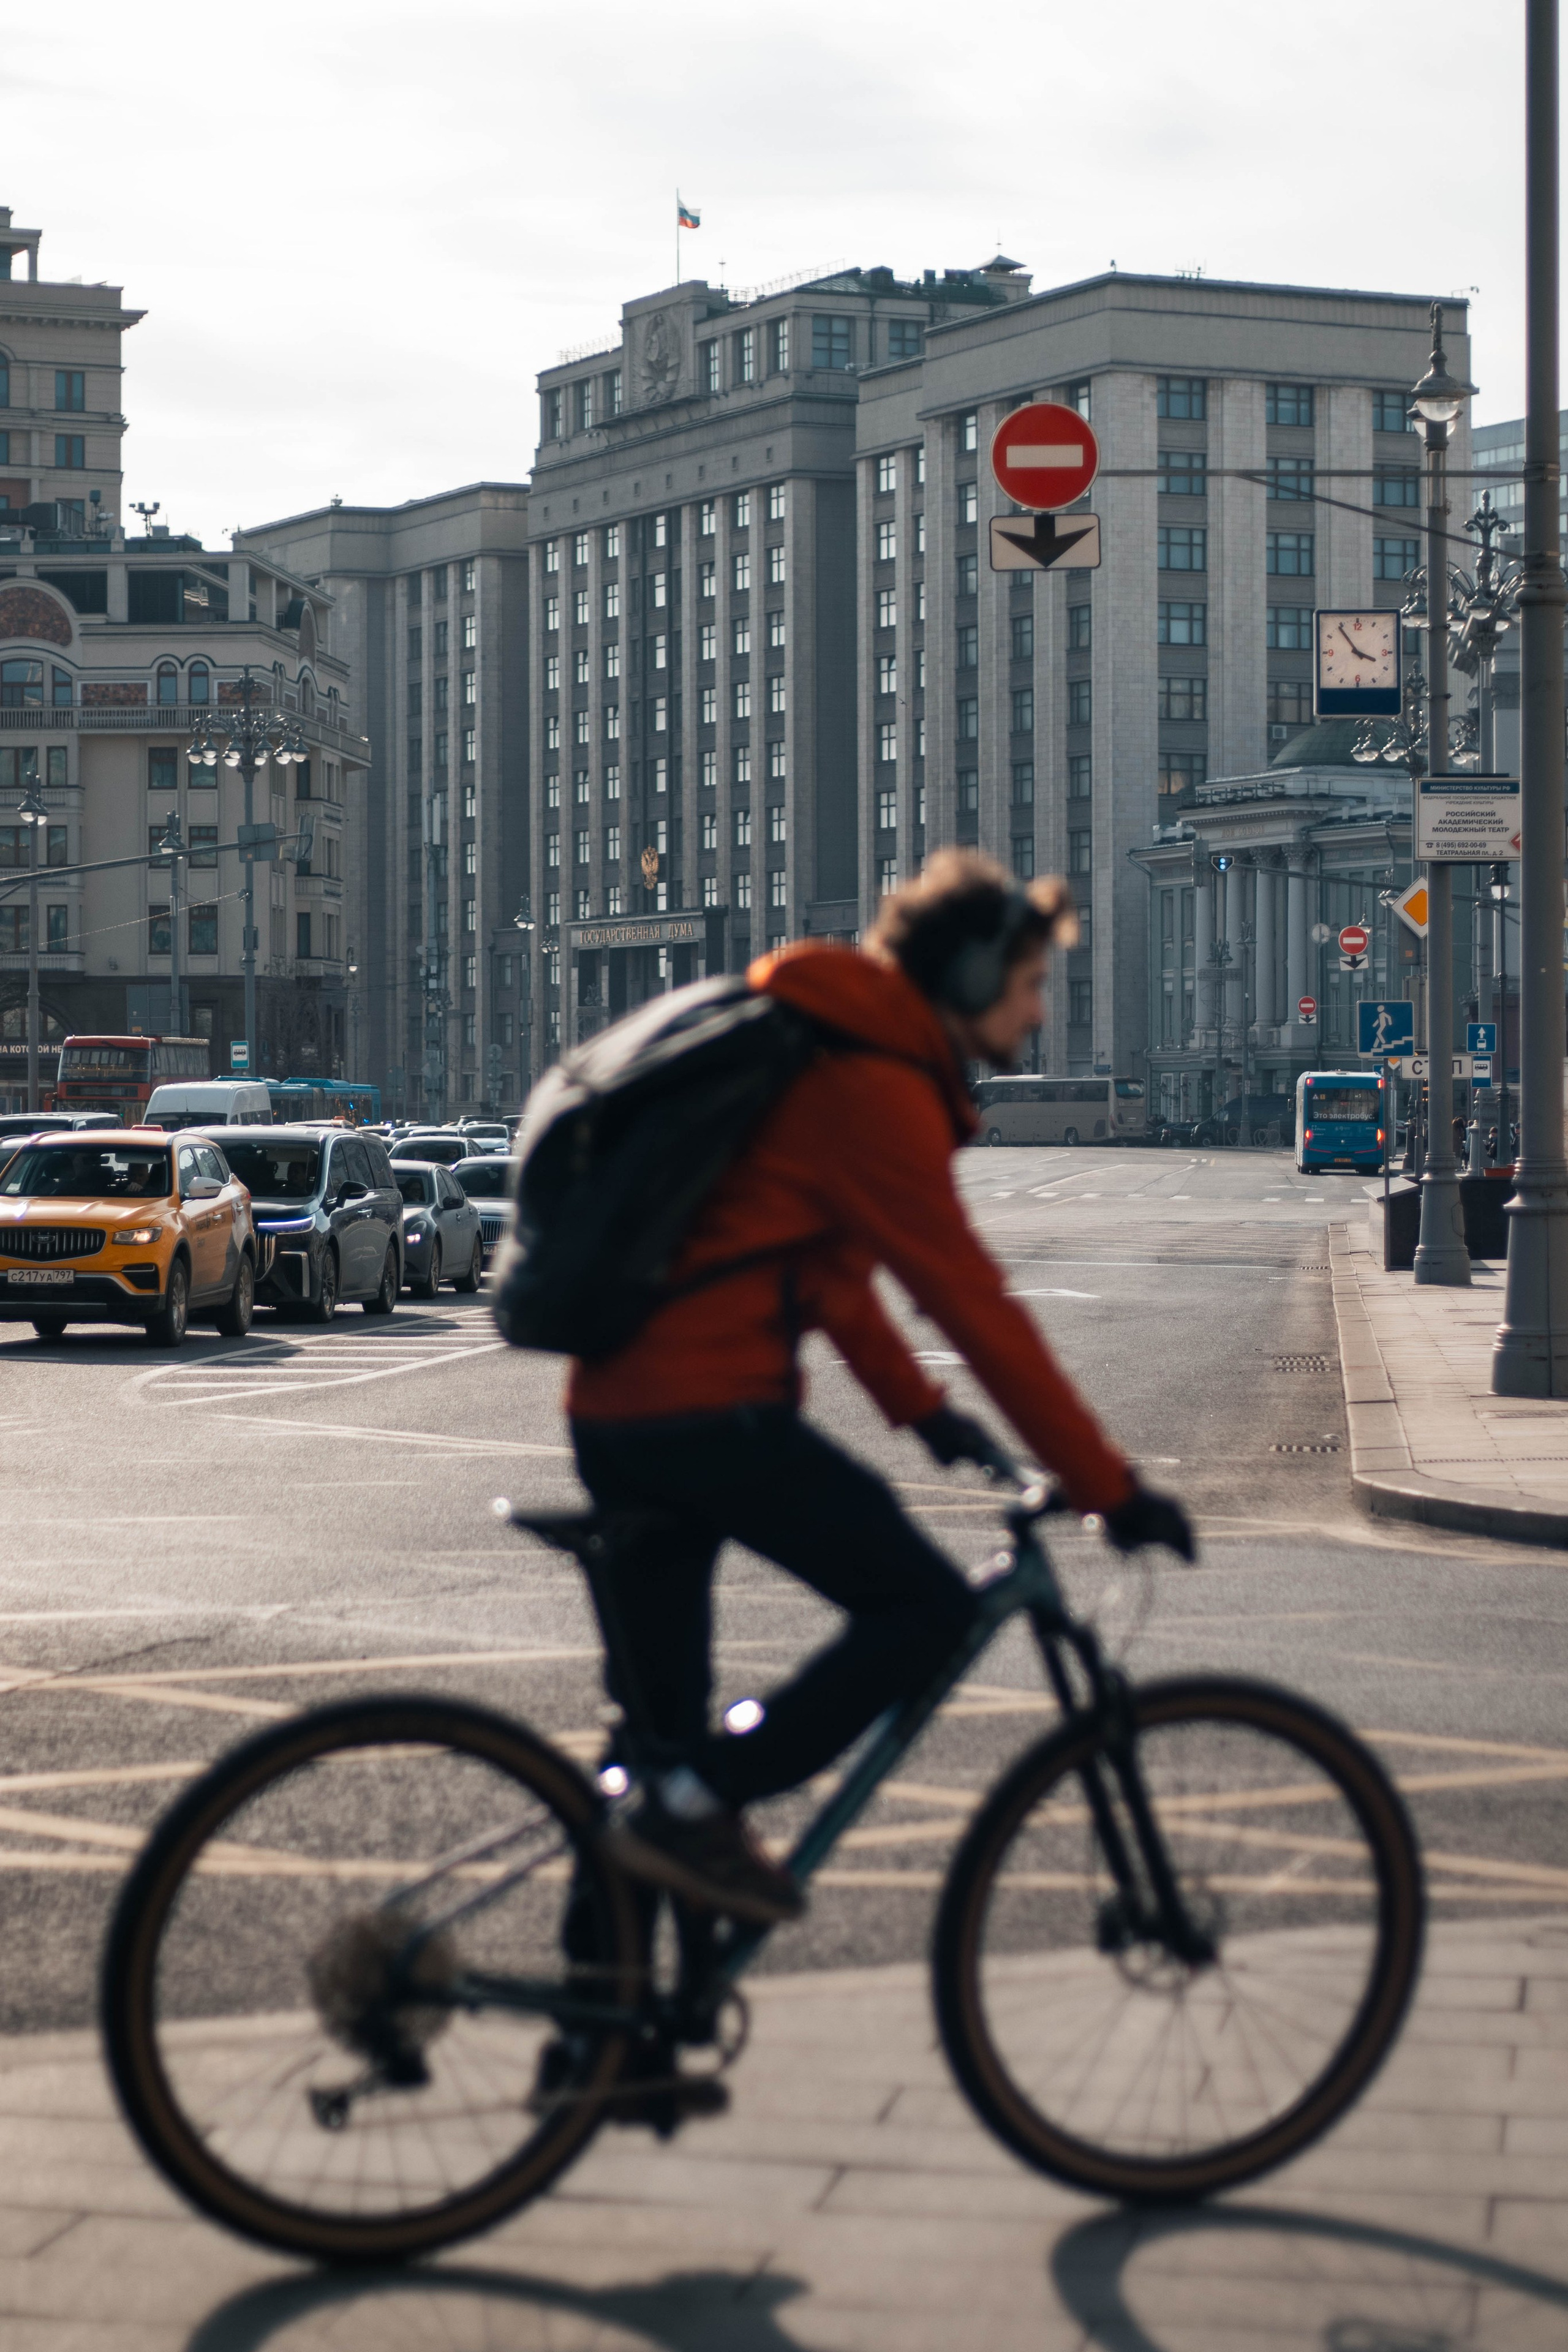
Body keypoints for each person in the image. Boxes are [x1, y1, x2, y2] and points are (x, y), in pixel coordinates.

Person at [567, 851, 1193, 1928]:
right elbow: (971, 1303)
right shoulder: (873, 1080)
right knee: (926, 1609)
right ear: (968, 978)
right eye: (1031, 985)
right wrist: (1106, 1485)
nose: (1039, 1013)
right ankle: (709, 1800)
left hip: (621, 1407)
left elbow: (828, 1281)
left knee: (653, 1752)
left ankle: (602, 2044)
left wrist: (926, 1414)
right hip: (703, 1411)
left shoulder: (827, 1043)